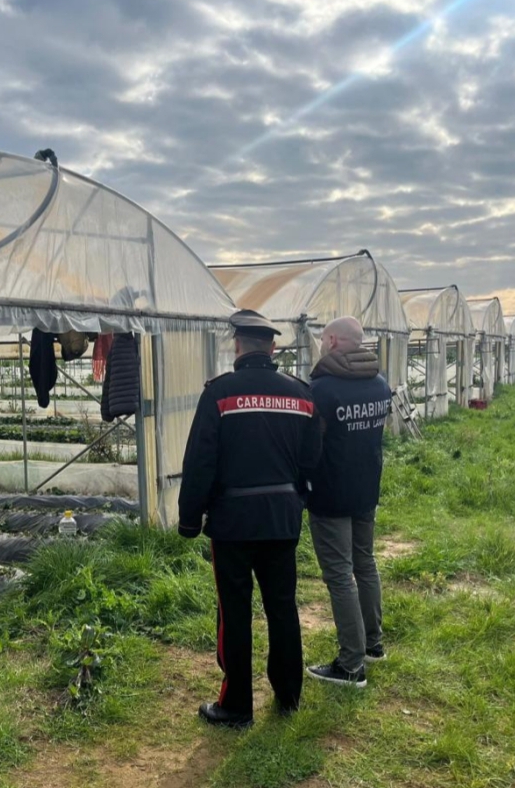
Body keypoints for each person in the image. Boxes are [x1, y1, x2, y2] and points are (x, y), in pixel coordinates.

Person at [178, 309, 322, 728]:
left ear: (237, 346)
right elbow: (312, 459)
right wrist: (296, 497)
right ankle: (289, 696)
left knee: (235, 612)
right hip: (281, 520)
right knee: (282, 607)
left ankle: (237, 705)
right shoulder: (301, 395)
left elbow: (200, 462)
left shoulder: (220, 394)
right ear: (272, 348)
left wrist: (190, 521)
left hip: (232, 523)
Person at [304, 316, 392, 688]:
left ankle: (351, 664)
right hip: (366, 488)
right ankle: (373, 644)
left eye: (324, 339)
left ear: (335, 342)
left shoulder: (322, 390)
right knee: (365, 563)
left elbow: (309, 445)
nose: (322, 345)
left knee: (340, 575)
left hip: (330, 494)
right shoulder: (380, 385)